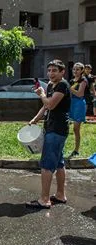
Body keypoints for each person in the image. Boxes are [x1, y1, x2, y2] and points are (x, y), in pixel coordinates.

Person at [26, 59, 71, 209]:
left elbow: (50, 104)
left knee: (47, 164)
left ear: (62, 72)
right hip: (52, 128)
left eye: (55, 70)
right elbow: (46, 107)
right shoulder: (52, 85)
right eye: (49, 70)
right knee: (59, 163)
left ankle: (44, 199)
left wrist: (41, 94)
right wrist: (34, 119)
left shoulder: (63, 85)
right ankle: (60, 195)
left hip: (57, 129)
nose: (51, 73)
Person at [68, 62, 87, 158]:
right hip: (71, 103)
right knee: (67, 127)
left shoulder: (83, 80)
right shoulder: (71, 80)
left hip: (79, 104)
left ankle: (76, 150)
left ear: (81, 71)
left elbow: (80, 94)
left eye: (77, 69)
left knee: (76, 129)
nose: (75, 71)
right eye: (74, 69)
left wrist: (69, 88)